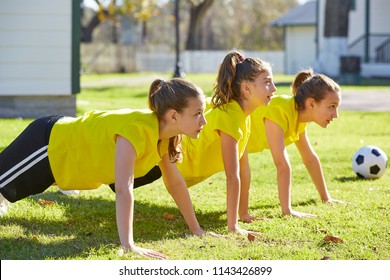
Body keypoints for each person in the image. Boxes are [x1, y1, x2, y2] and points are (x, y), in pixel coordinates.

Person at [0, 78, 209, 259]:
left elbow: (175, 183)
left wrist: (196, 229)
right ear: (173, 116)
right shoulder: (136, 130)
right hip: (48, 144)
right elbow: (123, 189)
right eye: (198, 113)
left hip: (65, 158)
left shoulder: (164, 138)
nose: (204, 121)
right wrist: (128, 245)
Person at [175, 51, 276, 234]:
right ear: (246, 88)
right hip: (171, 158)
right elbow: (232, 176)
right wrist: (233, 226)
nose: (274, 88)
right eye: (267, 82)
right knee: (118, 179)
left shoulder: (242, 116)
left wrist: (243, 213)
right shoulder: (231, 117)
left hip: (181, 165)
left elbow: (243, 168)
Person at [247, 69, 344, 218]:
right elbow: (282, 164)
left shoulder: (299, 118)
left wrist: (326, 198)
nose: (335, 115)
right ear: (311, 103)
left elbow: (310, 159)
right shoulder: (280, 110)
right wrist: (287, 211)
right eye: (332, 106)